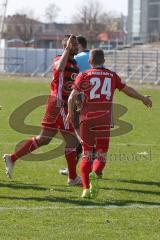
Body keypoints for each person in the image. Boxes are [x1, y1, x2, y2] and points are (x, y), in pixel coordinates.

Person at [67, 48, 152, 198]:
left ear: (89, 61)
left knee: (87, 153)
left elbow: (71, 97)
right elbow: (127, 90)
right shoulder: (112, 76)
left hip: (86, 118)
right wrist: (143, 98)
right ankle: (96, 173)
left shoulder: (84, 75)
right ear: (104, 61)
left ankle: (86, 188)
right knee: (101, 154)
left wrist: (69, 113)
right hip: (104, 119)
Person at [3, 34, 82, 186]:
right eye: (74, 44)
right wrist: (66, 49)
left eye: (77, 44)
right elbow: (59, 68)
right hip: (60, 104)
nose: (77, 46)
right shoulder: (59, 58)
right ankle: (72, 178)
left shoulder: (75, 64)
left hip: (62, 105)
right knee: (72, 140)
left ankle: (12, 158)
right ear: (67, 46)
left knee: (44, 139)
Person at [59, 35, 90, 176]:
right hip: (96, 101)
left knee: (76, 137)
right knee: (87, 136)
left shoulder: (77, 59)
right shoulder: (93, 56)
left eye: (76, 45)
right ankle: (94, 167)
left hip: (75, 101)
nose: (76, 47)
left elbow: (61, 67)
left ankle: (73, 171)